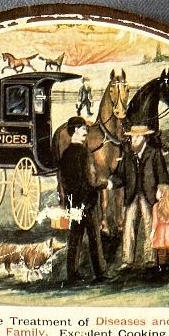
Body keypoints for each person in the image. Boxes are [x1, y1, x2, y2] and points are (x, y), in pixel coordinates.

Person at [112, 124, 167, 270]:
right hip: (132, 195)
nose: (133, 140)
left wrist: (161, 189)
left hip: (149, 195)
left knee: (150, 225)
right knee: (128, 226)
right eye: (132, 137)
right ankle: (127, 260)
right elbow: (121, 176)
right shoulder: (128, 155)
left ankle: (150, 259)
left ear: (144, 138)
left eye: (136, 137)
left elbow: (162, 174)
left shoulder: (154, 153)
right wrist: (110, 183)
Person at [56, 117, 105, 283]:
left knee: (74, 238)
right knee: (94, 238)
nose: (86, 132)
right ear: (76, 130)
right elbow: (90, 180)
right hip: (87, 202)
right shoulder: (84, 153)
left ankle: (72, 274)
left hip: (74, 203)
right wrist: (103, 185)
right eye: (84, 129)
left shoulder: (65, 154)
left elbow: (64, 182)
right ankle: (99, 273)